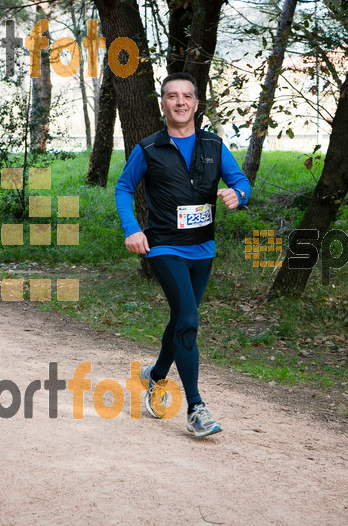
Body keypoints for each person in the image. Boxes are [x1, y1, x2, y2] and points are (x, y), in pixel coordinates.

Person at [115, 72, 251, 437]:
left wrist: (239, 194)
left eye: (186, 96)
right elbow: (124, 188)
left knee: (180, 320)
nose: (180, 102)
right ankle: (196, 408)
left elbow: (240, 180)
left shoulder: (214, 146)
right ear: (163, 103)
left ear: (195, 103)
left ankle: (156, 375)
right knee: (189, 318)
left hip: (203, 248)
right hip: (163, 245)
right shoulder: (148, 148)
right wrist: (132, 229)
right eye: (172, 96)